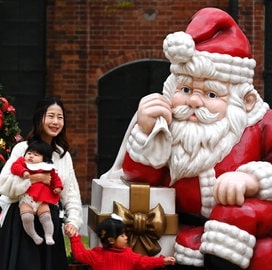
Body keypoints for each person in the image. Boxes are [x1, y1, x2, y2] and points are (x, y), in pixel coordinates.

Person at [101, 7, 272, 270]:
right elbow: (140, 180)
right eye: (185, 89)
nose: (193, 101)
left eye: (211, 95)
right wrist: (147, 132)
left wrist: (252, 179)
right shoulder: (170, 123)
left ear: (244, 100)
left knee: (258, 246)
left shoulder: (261, 123)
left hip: (247, 226)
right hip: (181, 231)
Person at [0, 96, 83, 270]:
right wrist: (34, 179)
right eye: (50, 116)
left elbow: (70, 193)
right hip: (20, 222)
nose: (55, 122)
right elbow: (3, 185)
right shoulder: (22, 149)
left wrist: (72, 221)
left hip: (49, 222)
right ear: (39, 117)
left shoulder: (62, 155)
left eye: (60, 117)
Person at [69, 214, 176, 270]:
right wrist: (74, 236)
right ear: (111, 240)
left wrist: (162, 261)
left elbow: (145, 262)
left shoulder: (129, 255)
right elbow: (80, 254)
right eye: (122, 235)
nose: (126, 237)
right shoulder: (97, 254)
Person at [10, 139, 63, 245]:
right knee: (26, 217)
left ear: (44, 158)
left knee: (46, 216)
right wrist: (23, 171)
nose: (31, 156)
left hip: (42, 199)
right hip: (26, 198)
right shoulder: (22, 163)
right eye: (29, 153)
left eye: (36, 155)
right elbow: (14, 167)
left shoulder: (47, 168)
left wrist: (58, 187)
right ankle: (33, 235)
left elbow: (55, 178)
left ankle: (48, 235)